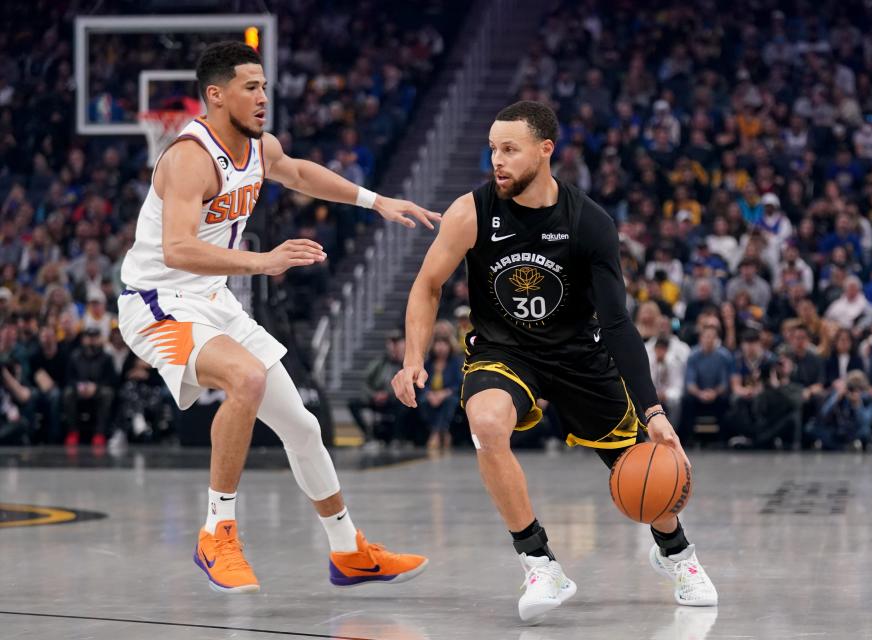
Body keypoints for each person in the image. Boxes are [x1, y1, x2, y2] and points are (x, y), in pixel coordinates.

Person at [118, 42, 435, 594]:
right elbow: (176, 250)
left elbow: (298, 173)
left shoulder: (261, 148)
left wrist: (377, 201)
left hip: (212, 299)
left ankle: (348, 553)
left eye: (264, 86)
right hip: (156, 302)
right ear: (216, 95)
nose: (264, 97)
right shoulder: (189, 157)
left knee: (304, 428)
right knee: (247, 377)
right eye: (250, 87)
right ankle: (217, 531)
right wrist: (264, 262)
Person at [392, 101, 717, 623]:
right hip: (504, 350)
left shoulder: (590, 223)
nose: (497, 160)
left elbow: (617, 325)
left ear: (546, 150)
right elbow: (428, 285)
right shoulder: (471, 211)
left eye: (510, 149)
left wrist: (653, 411)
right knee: (486, 423)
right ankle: (539, 561)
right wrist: (413, 358)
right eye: (493, 148)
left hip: (577, 354)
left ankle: (677, 553)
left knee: (640, 465)